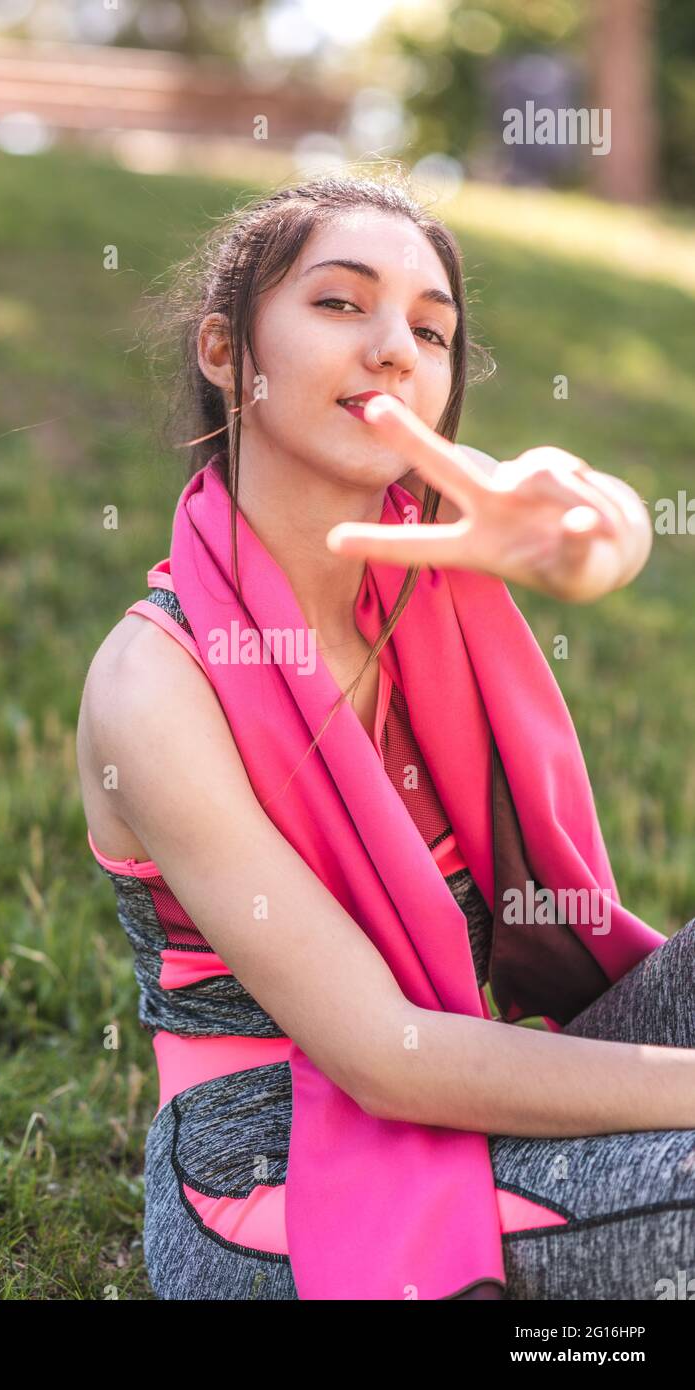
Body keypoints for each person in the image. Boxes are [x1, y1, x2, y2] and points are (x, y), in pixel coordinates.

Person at [76, 171, 695, 1300]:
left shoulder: (435, 577)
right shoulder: (152, 679)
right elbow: (380, 1056)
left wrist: (597, 544)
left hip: (477, 1067)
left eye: (430, 328)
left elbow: (586, 522)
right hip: (275, 1158)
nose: (394, 349)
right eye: (338, 304)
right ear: (226, 351)